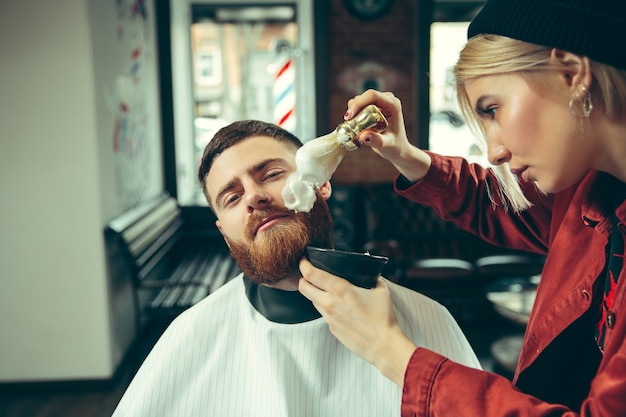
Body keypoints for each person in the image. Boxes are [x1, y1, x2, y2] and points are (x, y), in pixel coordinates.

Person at [298, 0, 626, 416]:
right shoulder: (595, 194)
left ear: (571, 74)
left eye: (493, 108)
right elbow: (504, 206)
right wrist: (404, 155)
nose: (494, 152)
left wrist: (393, 353)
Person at [111, 120, 481, 417]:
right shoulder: (190, 335)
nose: (254, 196)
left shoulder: (427, 319)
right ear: (225, 233)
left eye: (271, 174)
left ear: (321, 184)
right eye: (232, 197)